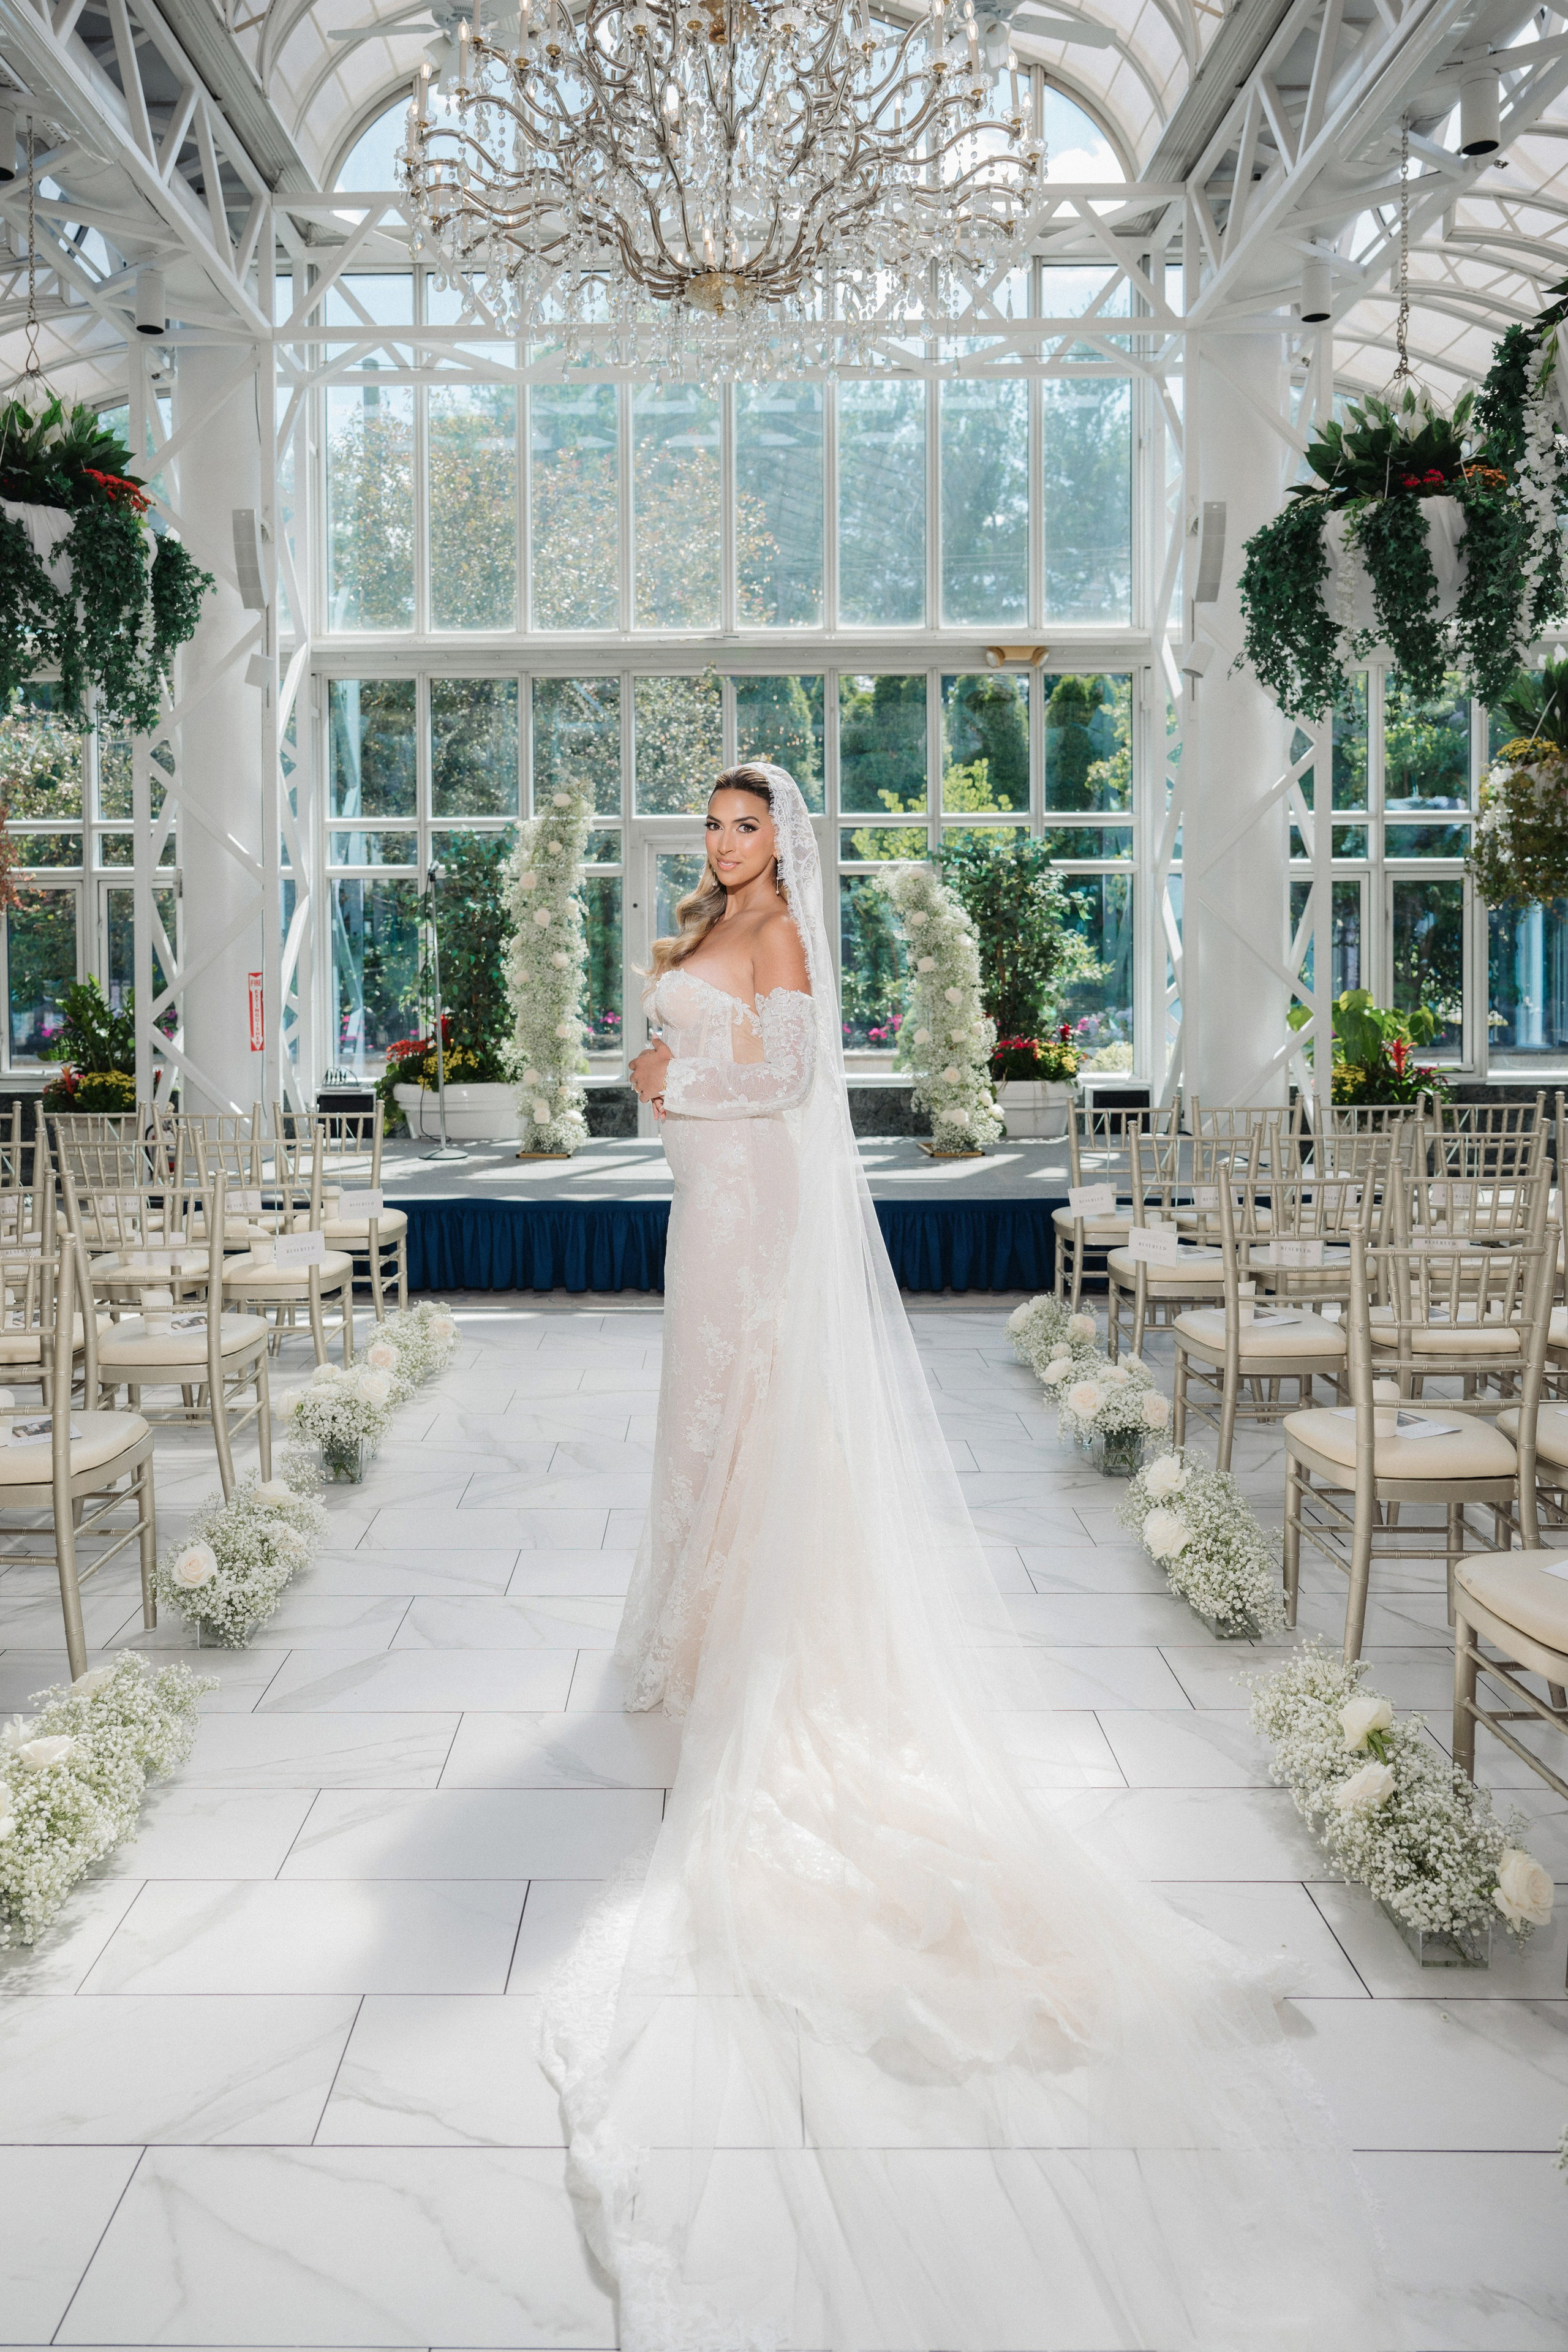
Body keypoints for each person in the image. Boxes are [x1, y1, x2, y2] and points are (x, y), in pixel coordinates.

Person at [541, 764, 1393, 2352]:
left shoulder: (785, 942)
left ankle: (736, 1642)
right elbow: (668, 1056)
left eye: (745, 829)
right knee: (685, 1439)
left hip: (750, 1226)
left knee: (738, 1431)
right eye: (714, 830)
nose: (724, 849)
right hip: (694, 1222)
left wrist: (672, 1078)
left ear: (782, 842)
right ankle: (679, 1629)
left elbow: (790, 1101)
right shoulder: (705, 924)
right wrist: (656, 1065)